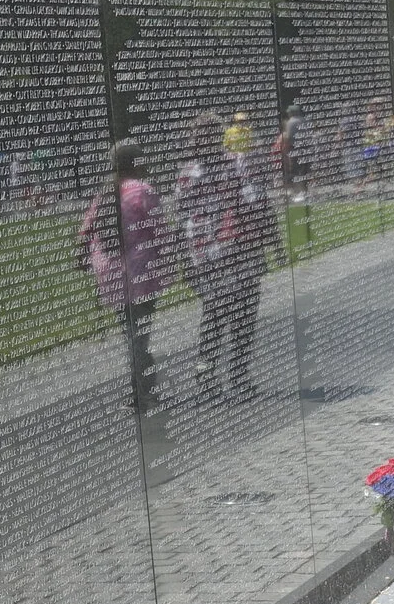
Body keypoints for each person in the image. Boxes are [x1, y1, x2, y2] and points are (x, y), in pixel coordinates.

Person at [179, 114, 280, 402]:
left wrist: (184, 257)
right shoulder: (237, 163)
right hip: (237, 250)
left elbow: (181, 213)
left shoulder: (186, 171)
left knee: (213, 312)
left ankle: (207, 370)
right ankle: (238, 374)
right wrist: (273, 242)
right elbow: (256, 203)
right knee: (244, 313)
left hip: (203, 253)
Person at [79, 140, 171, 410]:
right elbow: (161, 231)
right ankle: (144, 392)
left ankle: (140, 391)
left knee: (131, 335)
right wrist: (168, 267)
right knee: (139, 337)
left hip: (110, 276)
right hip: (140, 274)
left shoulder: (105, 193)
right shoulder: (143, 191)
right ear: (136, 163)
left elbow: (85, 231)